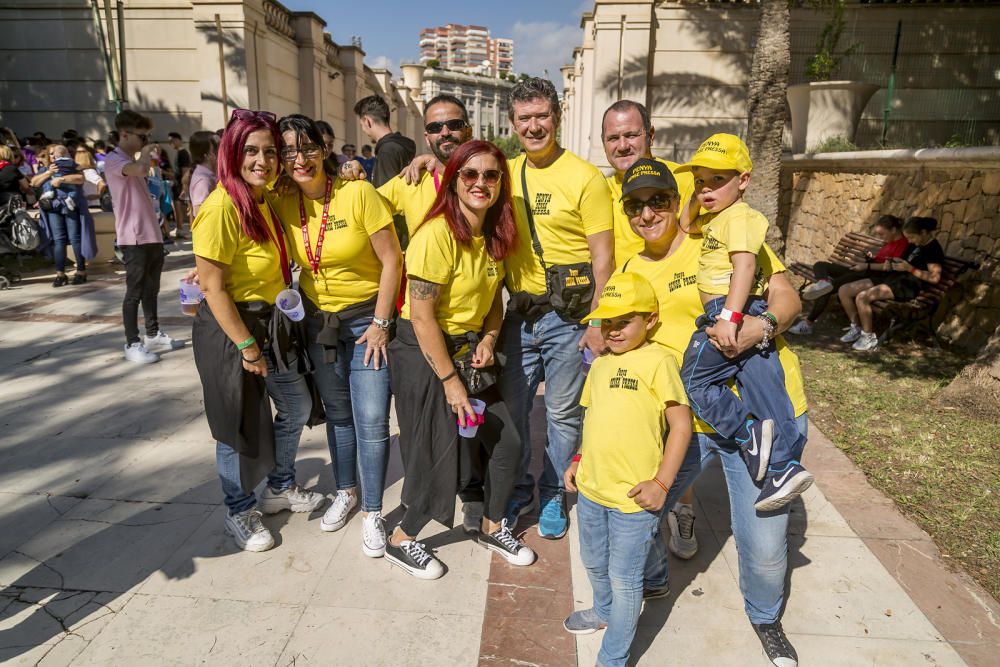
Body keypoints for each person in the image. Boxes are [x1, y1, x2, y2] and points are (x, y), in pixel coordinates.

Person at [616, 158, 809, 667]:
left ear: (677, 204)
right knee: (635, 508)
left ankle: (765, 618)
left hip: (757, 413)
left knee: (765, 552)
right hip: (688, 420)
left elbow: (788, 299)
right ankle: (641, 590)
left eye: (659, 200)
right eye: (635, 205)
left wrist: (756, 329)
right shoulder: (632, 269)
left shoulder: (724, 236)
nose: (648, 212)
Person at [386, 140, 533, 579]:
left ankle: (491, 525)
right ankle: (403, 538)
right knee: (438, 450)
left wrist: (489, 336)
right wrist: (451, 382)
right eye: (470, 174)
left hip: (468, 348)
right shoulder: (436, 235)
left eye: (490, 175)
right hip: (424, 349)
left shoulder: (494, 234)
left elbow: (493, 302)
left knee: (507, 441)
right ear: (453, 181)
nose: (480, 183)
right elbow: (424, 316)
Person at [191, 108, 325, 553]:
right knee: (238, 426)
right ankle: (239, 508)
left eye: (270, 151)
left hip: (273, 324)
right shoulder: (222, 206)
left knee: (296, 403)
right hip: (235, 331)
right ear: (232, 152)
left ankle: (280, 486)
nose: (262, 160)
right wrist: (248, 347)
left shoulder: (264, 197)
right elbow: (212, 287)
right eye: (251, 150)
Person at [272, 114, 402, 557]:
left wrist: (382, 324)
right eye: (288, 151)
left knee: (371, 420)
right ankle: (346, 491)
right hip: (318, 325)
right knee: (340, 416)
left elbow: (392, 261)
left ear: (325, 149)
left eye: (307, 148)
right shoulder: (281, 199)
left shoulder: (358, 192)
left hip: (367, 323)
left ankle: (372, 512)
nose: (299, 158)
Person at [500, 77, 614, 539]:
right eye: (524, 118)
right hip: (517, 313)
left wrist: (598, 323)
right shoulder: (504, 173)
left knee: (564, 414)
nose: (534, 126)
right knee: (515, 407)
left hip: (569, 319)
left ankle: (552, 493)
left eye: (541, 116)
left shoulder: (586, 178)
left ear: (557, 118)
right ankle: (521, 485)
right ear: (513, 123)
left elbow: (602, 259)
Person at [561, 272, 692, 667]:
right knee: (594, 562)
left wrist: (661, 483)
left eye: (625, 321)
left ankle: (613, 657)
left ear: (650, 320)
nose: (613, 330)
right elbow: (593, 419)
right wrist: (578, 459)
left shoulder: (660, 361)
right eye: (607, 322)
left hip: (634, 499)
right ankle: (603, 611)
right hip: (592, 490)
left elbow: (681, 427)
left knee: (624, 576)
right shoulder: (600, 366)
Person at [675, 136, 812, 512]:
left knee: (693, 379)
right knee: (765, 391)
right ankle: (783, 466)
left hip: (728, 308)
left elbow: (745, 268)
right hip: (739, 311)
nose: (705, 189)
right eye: (701, 180)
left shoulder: (741, 219)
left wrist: (729, 318)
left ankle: (748, 432)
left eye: (717, 179)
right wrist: (698, 189)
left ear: (744, 180)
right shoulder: (719, 218)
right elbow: (685, 224)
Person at [601, 98, 700, 560]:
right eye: (613, 137)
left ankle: (680, 507)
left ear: (650, 135)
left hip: (682, 329)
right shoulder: (599, 188)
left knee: (681, 429)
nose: (623, 144)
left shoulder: (683, 180)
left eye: (631, 134)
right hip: (633, 326)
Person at [104, 110, 180, 363]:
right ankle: (132, 342)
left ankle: (152, 333)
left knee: (152, 288)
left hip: (151, 233)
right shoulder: (114, 160)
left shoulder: (130, 158)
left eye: (147, 138)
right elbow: (138, 170)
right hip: (133, 236)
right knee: (134, 292)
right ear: (124, 134)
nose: (145, 142)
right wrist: (146, 154)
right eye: (142, 137)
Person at [377, 94, 472, 250]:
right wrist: (349, 171)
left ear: (468, 131)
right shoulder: (410, 180)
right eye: (435, 127)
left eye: (454, 124)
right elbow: (361, 206)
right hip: (425, 274)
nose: (445, 132)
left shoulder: (489, 178)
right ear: (427, 138)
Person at [838, 216, 944, 352]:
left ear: (923, 233)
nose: (909, 241)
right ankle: (857, 328)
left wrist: (909, 269)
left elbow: (934, 278)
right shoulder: (915, 245)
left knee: (862, 297)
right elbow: (903, 262)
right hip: (892, 277)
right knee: (844, 290)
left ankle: (868, 336)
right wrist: (892, 263)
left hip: (907, 286)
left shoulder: (933, 249)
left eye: (912, 237)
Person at [789, 214, 907, 335]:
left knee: (827, 289)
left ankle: (808, 323)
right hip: (862, 270)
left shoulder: (903, 245)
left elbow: (890, 266)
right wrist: (872, 258)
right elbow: (882, 259)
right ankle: (822, 281)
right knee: (820, 265)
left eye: (882, 234)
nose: (880, 237)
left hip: (868, 275)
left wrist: (867, 265)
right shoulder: (889, 241)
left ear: (893, 230)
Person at [354, 95, 415, 188]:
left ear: (367, 121)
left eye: (361, 125)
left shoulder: (387, 150)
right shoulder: (400, 145)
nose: (363, 129)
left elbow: (386, 196)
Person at [187, 130, 219, 218]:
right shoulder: (203, 181)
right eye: (217, 147)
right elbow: (200, 214)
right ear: (207, 155)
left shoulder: (209, 175)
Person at [168, 132, 192, 237]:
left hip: (180, 184)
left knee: (178, 206)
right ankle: (179, 227)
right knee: (176, 206)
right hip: (177, 183)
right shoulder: (179, 153)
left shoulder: (183, 153)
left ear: (178, 140)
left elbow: (185, 170)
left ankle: (180, 228)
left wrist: (184, 187)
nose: (170, 143)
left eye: (172, 141)